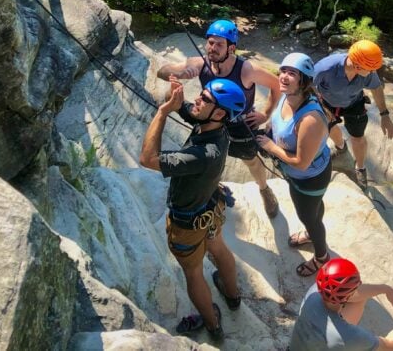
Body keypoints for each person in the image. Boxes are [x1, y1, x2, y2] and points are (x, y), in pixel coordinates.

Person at [139, 77, 247, 341]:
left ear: (220, 112)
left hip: (187, 225)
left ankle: (212, 325)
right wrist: (174, 97)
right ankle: (232, 296)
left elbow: (147, 159)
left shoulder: (204, 154)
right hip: (211, 208)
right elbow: (184, 107)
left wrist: (163, 111)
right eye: (201, 94)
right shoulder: (216, 126)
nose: (197, 99)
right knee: (219, 247)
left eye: (205, 99)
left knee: (194, 273)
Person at [157, 19, 282, 218]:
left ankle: (264, 189)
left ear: (231, 48)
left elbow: (276, 85)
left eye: (219, 44)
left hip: (240, 124)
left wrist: (265, 114)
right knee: (210, 160)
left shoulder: (246, 70)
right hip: (211, 120)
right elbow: (162, 71)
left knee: (250, 160)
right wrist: (179, 73)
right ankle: (213, 187)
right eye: (210, 43)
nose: (212, 48)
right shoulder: (199, 63)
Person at [255, 53, 333, 277]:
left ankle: (321, 257)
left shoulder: (309, 119)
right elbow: (278, 119)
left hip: (309, 177)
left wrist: (271, 147)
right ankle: (312, 229)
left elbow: (300, 163)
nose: (284, 77)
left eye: (292, 73)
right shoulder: (287, 96)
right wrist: (268, 129)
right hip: (303, 176)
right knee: (313, 212)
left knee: (307, 215)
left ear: (304, 81)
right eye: (283, 71)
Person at [288, 257, 393, 350]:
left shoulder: (313, 294)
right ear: (347, 295)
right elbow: (392, 345)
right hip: (338, 339)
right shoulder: (348, 336)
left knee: (361, 298)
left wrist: (384, 288)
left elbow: (355, 294)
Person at [313, 41, 393, 190]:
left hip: (354, 102)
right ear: (357, 66)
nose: (372, 72)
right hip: (327, 102)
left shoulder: (366, 72)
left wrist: (384, 115)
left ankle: (360, 167)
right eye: (370, 69)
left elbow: (376, 88)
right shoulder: (325, 68)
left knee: (358, 138)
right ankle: (341, 148)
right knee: (330, 127)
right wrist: (315, 105)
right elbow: (309, 85)